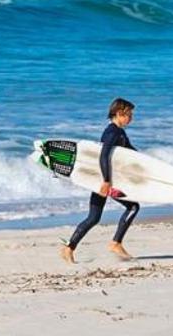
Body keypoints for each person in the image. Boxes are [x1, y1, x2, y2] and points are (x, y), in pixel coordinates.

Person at [60, 97, 140, 263]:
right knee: (133, 207)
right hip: (106, 181)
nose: (131, 118)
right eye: (129, 114)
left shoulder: (119, 132)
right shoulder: (112, 132)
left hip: (104, 179)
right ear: (119, 113)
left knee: (94, 217)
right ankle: (115, 243)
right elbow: (103, 156)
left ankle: (69, 248)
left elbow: (130, 152)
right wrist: (106, 181)